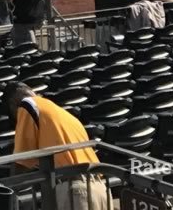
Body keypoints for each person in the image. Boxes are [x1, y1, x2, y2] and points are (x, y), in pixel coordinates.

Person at [6, 82, 107, 210]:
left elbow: (22, 162)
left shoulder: (27, 105)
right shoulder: (63, 114)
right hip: (99, 188)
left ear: (13, 104)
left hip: (75, 192)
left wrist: (6, 190)